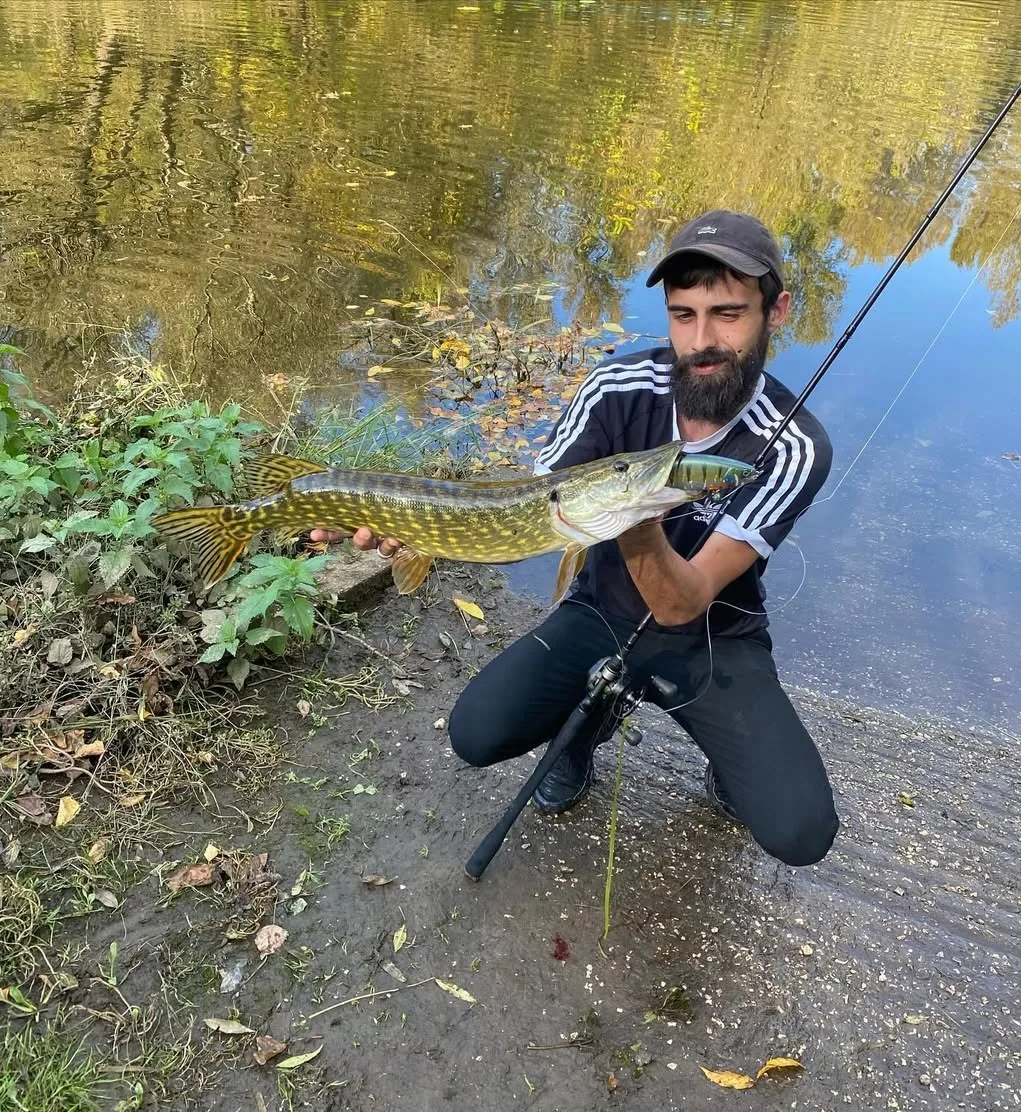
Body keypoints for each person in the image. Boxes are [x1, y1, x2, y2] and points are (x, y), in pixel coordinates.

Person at [312, 210, 839, 868]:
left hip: (710, 637)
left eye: (727, 314)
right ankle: (584, 732)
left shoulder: (795, 445)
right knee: (476, 732)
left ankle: (724, 761)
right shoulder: (614, 388)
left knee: (800, 829)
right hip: (601, 612)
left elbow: (685, 601)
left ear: (777, 310)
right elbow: (527, 504)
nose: (701, 340)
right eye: (683, 315)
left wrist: (633, 517)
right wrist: (407, 531)